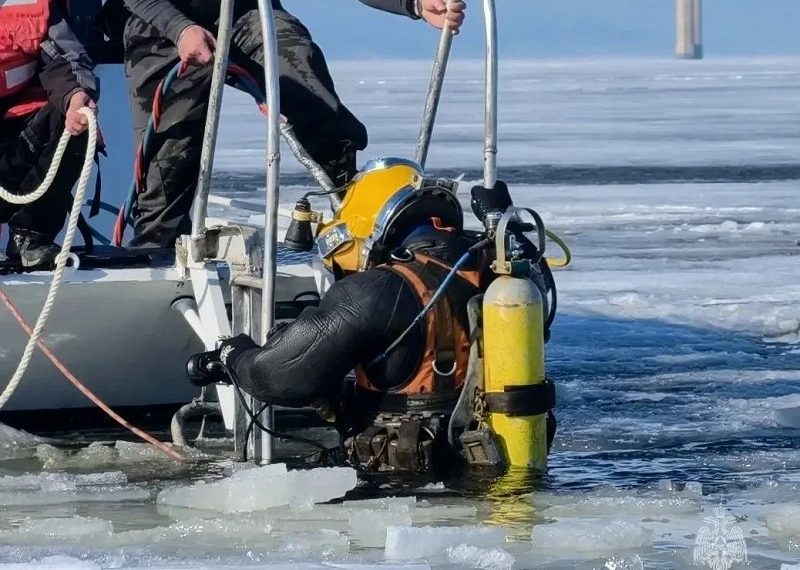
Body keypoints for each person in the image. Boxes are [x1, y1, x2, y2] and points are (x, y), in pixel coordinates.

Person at [188, 176, 556, 472]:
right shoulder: (500, 275)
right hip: (494, 459)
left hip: (403, 482)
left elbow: (277, 377)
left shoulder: (374, 289)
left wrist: (231, 354)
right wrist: (504, 222)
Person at [122, 0, 467, 248]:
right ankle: (154, 252)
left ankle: (354, 218)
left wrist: (414, 3)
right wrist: (181, 29)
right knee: (167, 162)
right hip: (160, 24)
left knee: (300, 67)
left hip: (247, 12)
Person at [0, 0, 100, 268]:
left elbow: (62, 59)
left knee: (77, 121)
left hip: (15, 154)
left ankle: (29, 238)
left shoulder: (29, 7)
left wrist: (75, 96)